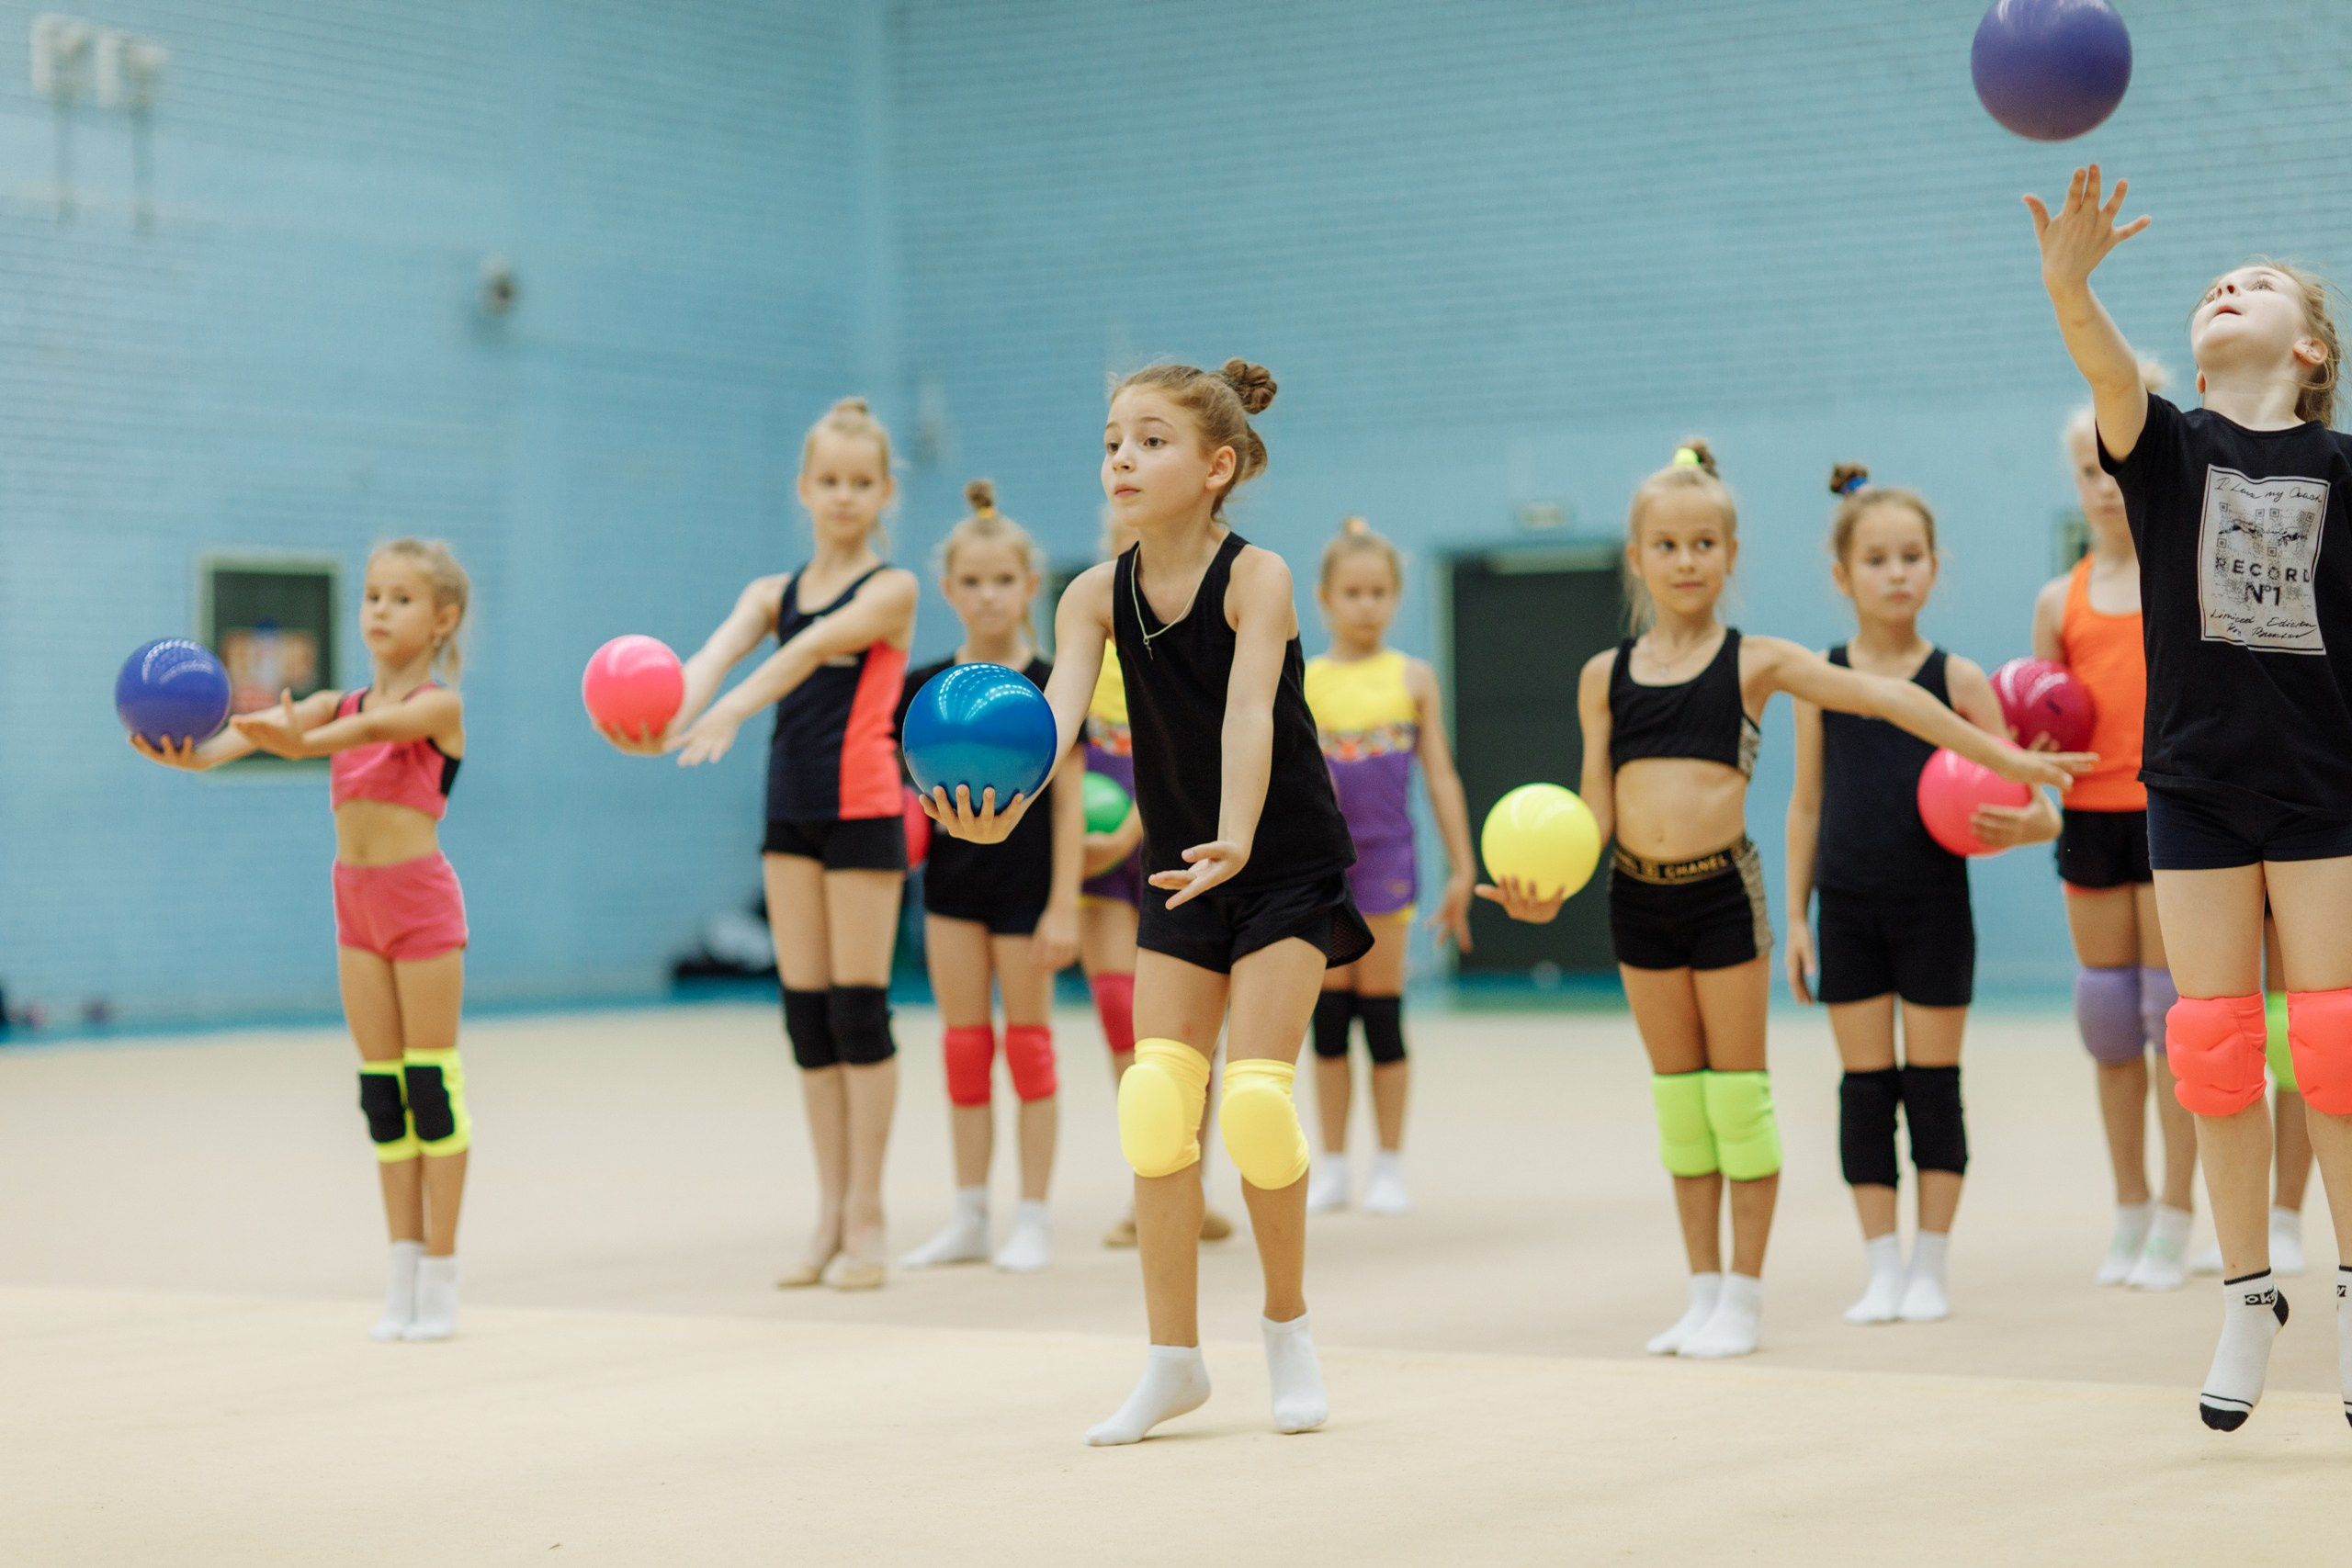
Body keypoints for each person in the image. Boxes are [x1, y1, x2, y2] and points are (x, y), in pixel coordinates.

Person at [1483, 441, 2080, 1360]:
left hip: (1724, 897)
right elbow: (1593, 813)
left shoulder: (1758, 661)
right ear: (1636, 558)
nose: (1686, 561)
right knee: (1679, 1106)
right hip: (1636, 904)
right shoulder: (1602, 676)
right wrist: (1543, 892)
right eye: (1667, 545)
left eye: (1705, 544)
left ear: (1729, 555)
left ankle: (1747, 1298)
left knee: (1738, 1102)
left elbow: (1888, 703)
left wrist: (2006, 760)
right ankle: (1702, 1291)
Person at [928, 358, 1363, 1444]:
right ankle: (1174, 1361)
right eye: (1114, 439)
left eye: (1152, 440)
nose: (1123, 456)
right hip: (1181, 869)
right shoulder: (1089, 595)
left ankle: (1286, 1330)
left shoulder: (1256, 576)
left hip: (1280, 861)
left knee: (1257, 1103)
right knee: (1158, 1107)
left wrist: (1239, 834)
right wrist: (1002, 809)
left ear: (1216, 468)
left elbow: (1251, 715)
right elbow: (1054, 723)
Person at [2028, 162, 2352, 1429]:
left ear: (2309, 345)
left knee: (2330, 1043)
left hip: (2327, 789)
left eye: (2260, 282)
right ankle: (2244, 1294)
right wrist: (2071, 284)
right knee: (2215, 1047)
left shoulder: (2339, 463)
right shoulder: (2168, 448)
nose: (2232, 285)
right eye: (2219, 281)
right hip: (2200, 793)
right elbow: (2110, 371)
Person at [135, 540, 476, 1341]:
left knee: (433, 1088)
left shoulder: (438, 706)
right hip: (354, 908)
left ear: (442, 619)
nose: (380, 611)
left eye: (401, 598)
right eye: (372, 596)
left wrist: (300, 739)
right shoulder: (332, 701)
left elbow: (358, 734)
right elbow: (238, 743)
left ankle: (444, 1273)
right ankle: (400, 1269)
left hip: (420, 905)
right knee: (383, 1095)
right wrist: (187, 753)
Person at [626, 397, 918, 1292]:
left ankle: (868, 1210)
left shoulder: (890, 589)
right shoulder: (767, 591)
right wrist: (659, 713)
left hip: (864, 810)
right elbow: (712, 657)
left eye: (860, 482)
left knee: (859, 1013)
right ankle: (828, 1210)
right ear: (804, 488)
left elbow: (803, 657)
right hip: (789, 809)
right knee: (807, 1015)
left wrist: (730, 709)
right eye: (828, 481)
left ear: (883, 493)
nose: (842, 496)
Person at [1785, 466, 2058, 1325]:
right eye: (1876, 559)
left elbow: (2039, 801)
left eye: (1912, 556)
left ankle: (1930, 1263)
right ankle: (1881, 1268)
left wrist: (2029, 826)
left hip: (1935, 908)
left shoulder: (1960, 680)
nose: (1896, 572)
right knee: (1866, 1089)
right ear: (1843, 575)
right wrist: (1796, 917)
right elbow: (1807, 803)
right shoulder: (1821, 679)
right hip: (1849, 909)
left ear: (1934, 567)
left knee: (1933, 1084)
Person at [2032, 368, 2201, 1291]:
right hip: (2090, 823)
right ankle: (2129, 1207)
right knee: (2108, 1019)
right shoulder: (2058, 602)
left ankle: (2180, 1210)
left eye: (2115, 465)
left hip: (2173, 817)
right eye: (2087, 472)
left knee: (2174, 1020)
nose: (2105, 484)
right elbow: (2035, 727)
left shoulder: (2183, 573)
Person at [895, 481, 1083, 1273]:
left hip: (1028, 888)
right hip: (952, 889)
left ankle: (1032, 1214)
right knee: (965, 1048)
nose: (987, 594)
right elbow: (911, 793)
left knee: (1029, 1047)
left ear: (1030, 586)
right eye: (970, 581)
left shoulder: (1050, 681)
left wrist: (1064, 904)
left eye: (1003, 579)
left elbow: (1069, 803)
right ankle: (971, 1212)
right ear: (948, 590)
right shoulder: (926, 688)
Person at [1302, 516, 1476, 1216]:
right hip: (1322, 868)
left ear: (1396, 597)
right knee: (1329, 1015)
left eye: (1378, 591)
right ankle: (1336, 1163)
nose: (1366, 604)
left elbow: (1440, 776)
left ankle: (1390, 1165)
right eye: (1352, 592)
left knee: (1382, 1012)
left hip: (1388, 862)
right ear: (1325, 598)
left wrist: (1463, 865)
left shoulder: (1413, 677)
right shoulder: (1307, 679)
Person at [1081, 508, 1235, 1250]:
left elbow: (1192, 756)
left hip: (1169, 836)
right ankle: (1153, 1174)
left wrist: (1131, 833)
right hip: (1095, 860)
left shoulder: (1191, 632)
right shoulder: (1088, 631)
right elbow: (1064, 752)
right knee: (1126, 1026)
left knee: (1184, 1036)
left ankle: (1190, 1178)